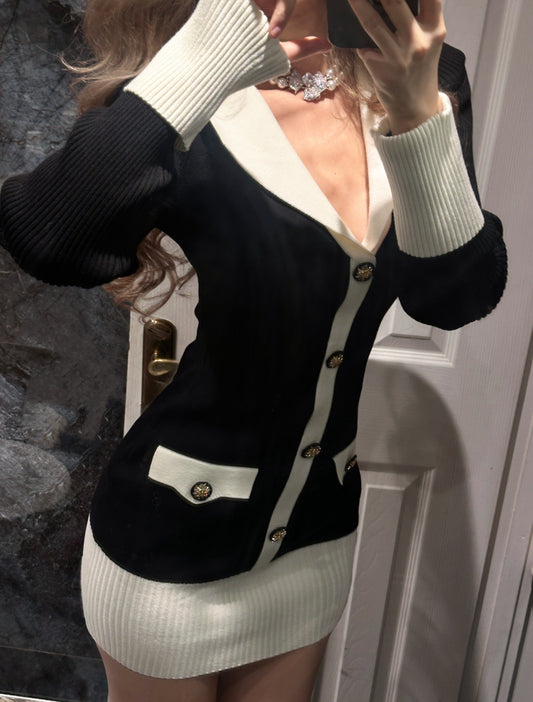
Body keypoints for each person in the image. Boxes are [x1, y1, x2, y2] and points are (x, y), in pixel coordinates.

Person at [0, 0, 507, 700]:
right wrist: (199, 62)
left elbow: (454, 298)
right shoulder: (193, 75)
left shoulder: (428, 73)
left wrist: (418, 111)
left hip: (315, 537)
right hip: (166, 542)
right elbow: (49, 239)